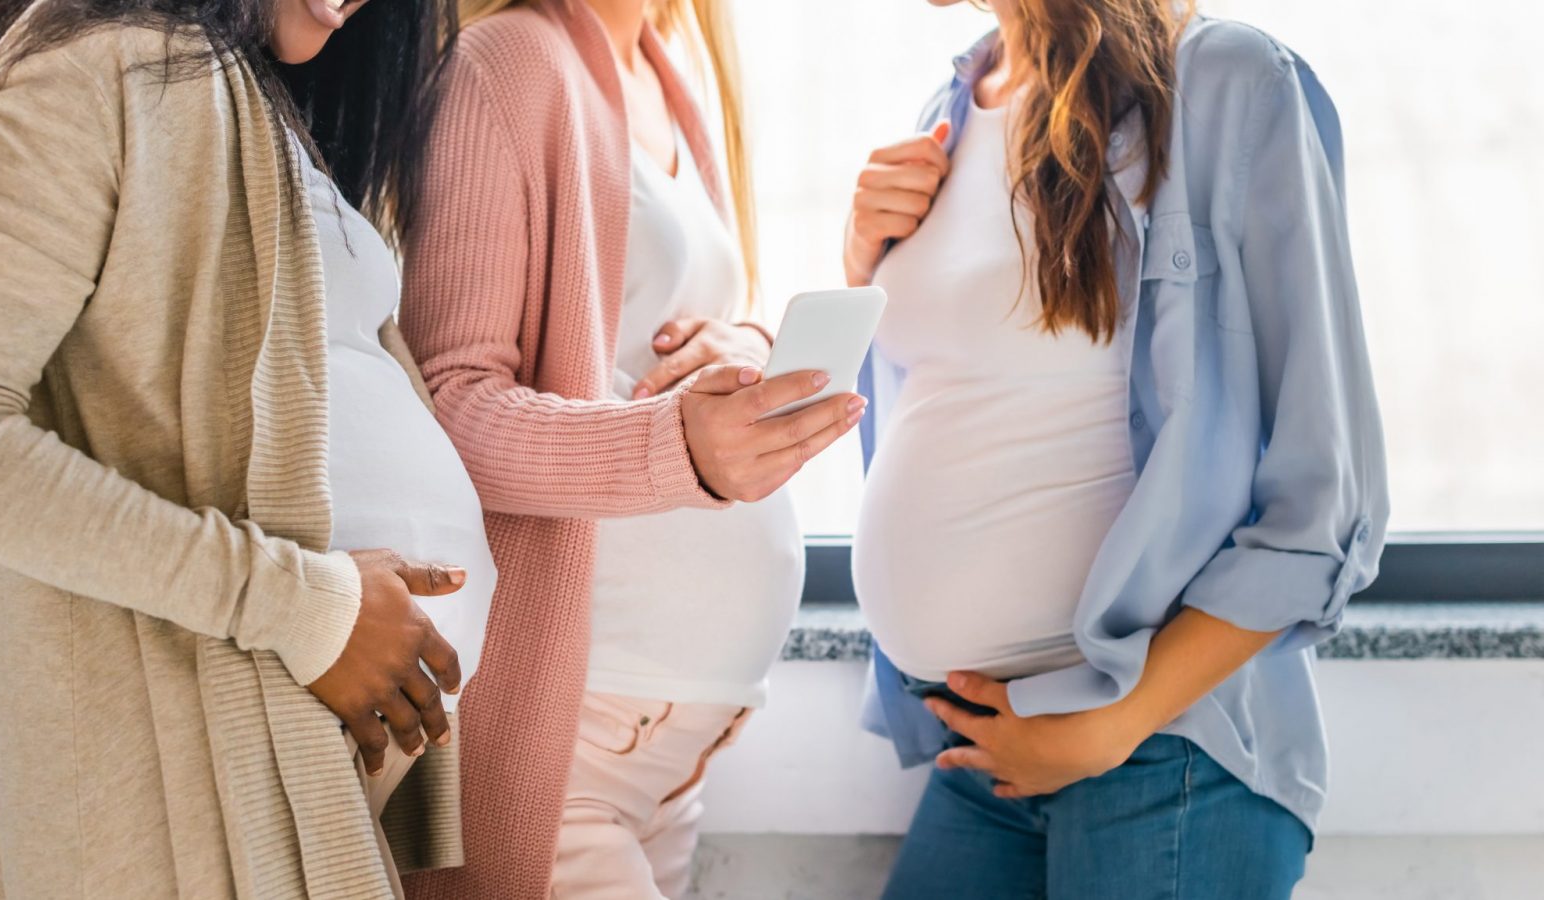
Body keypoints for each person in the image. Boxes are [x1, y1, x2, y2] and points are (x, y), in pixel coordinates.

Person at [0, 0, 488, 896]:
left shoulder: (259, 101)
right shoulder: (99, 69)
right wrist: (303, 608)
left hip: (298, 773)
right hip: (178, 790)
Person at [846, 1, 1389, 897]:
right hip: (983, 746)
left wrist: (1118, 721)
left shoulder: (1226, 82)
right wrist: (861, 261)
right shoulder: (950, 103)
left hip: (1165, 754)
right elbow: (967, 398)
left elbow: (1325, 498)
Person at [396, 1, 860, 896]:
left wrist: (748, 348)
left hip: (672, 754)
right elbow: (448, 401)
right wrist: (676, 450)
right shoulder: (507, 63)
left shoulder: (669, 72)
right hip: (577, 730)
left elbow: (657, 346)